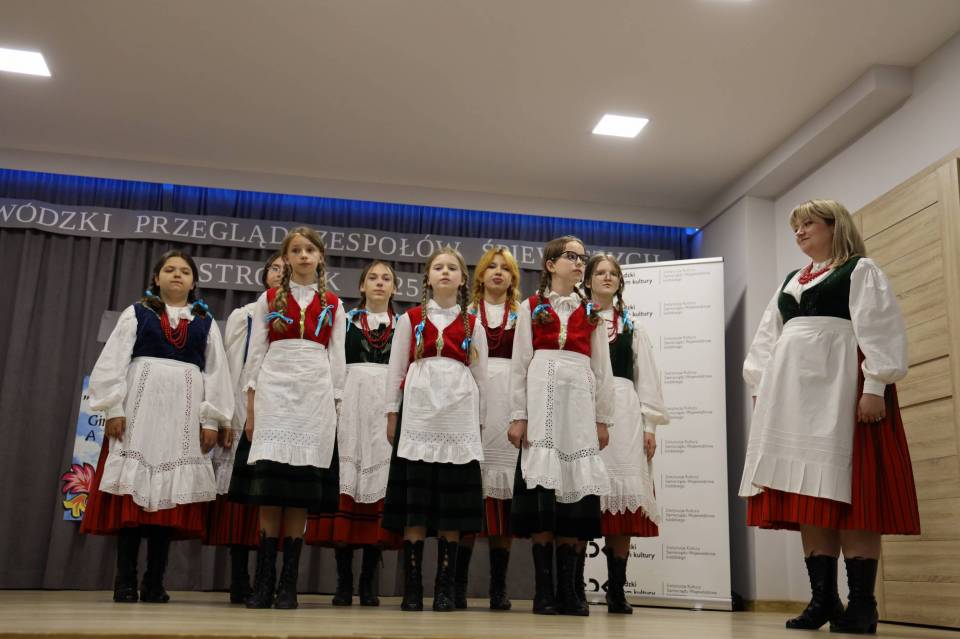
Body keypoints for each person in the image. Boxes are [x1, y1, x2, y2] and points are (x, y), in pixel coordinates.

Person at [740, 199, 920, 634]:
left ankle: (862, 605)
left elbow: (880, 328)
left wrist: (874, 386)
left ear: (835, 226)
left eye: (808, 224)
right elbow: (767, 341)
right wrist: (761, 389)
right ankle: (823, 599)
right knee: (809, 493)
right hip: (791, 399)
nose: (799, 232)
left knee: (853, 494)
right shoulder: (790, 281)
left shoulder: (860, 270)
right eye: (795, 227)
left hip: (842, 389)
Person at [81, 250, 233, 604]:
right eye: (169, 269)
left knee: (168, 501)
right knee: (133, 497)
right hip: (140, 412)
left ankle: (154, 581)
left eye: (184, 271)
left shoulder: (205, 322)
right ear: (156, 277)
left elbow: (217, 372)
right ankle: (125, 579)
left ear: (193, 282)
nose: (177, 275)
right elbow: (113, 362)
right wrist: (113, 408)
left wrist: (211, 420)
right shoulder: (137, 314)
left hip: (183, 416)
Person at [229, 227, 346, 610]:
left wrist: (334, 406)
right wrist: (251, 406)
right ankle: (263, 581)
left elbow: (338, 360)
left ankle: (288, 584)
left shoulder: (334, 304)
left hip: (313, 398)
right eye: (296, 250)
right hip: (274, 395)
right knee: (270, 490)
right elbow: (256, 354)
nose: (303, 255)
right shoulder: (268, 299)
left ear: (320, 256)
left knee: (299, 493)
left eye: (310, 249)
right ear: (287, 257)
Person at [508, 236, 614, 616]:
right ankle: (544, 591)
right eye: (572, 256)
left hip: (579, 412)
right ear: (551, 264)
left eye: (582, 258)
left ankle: (571, 590)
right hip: (542, 407)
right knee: (544, 494)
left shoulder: (591, 312)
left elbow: (602, 369)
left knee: (576, 495)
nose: (579, 263)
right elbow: (519, 364)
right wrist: (519, 415)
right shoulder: (530, 307)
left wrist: (602, 418)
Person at [382, 247, 488, 612]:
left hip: (458, 419)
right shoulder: (410, 319)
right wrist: (391, 413)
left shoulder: (473, 324)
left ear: (462, 279)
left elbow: (481, 377)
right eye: (438, 267)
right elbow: (396, 369)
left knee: (451, 504)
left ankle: (445, 584)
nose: (445, 272)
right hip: (419, 416)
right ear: (428, 277)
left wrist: (479, 422)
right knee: (417, 500)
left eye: (452, 268)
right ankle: (413, 585)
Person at [305, 260, 402, 606]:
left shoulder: (404, 326)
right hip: (350, 407)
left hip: (385, 408)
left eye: (386, 278)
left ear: (394, 288)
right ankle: (344, 579)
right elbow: (332, 363)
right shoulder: (344, 321)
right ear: (361, 286)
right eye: (372, 277)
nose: (379, 283)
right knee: (347, 482)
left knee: (380, 485)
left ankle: (368, 579)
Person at [584, 253, 669, 614]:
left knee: (622, 499)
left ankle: (616, 588)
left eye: (613, 274)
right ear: (587, 280)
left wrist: (650, 426)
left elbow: (646, 378)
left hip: (624, 414)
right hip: (582, 410)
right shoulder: (577, 320)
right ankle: (573, 586)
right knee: (582, 497)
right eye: (600, 272)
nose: (607, 278)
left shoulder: (632, 326)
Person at [206, 251, 282, 604]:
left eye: (286, 269)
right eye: (275, 268)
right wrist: (228, 416)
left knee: (276, 494)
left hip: (284, 410)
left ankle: (270, 577)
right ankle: (240, 578)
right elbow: (231, 367)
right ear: (265, 276)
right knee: (240, 498)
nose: (280, 273)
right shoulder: (246, 316)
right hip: (245, 408)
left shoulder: (306, 316)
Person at [456, 246, 522, 610]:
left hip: (510, 405)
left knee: (504, 501)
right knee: (471, 494)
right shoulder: (466, 315)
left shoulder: (523, 317)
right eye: (491, 267)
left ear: (513, 278)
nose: (498, 272)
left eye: (505, 268)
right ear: (480, 275)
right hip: (474, 403)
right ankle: (458, 583)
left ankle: (499, 586)